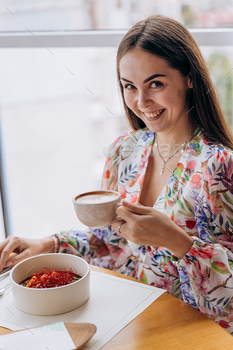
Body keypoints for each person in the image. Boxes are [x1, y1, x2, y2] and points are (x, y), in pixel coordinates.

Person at [1, 15, 233, 333]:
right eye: (129, 87)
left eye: (155, 84)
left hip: (190, 331)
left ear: (189, 78)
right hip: (128, 320)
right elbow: (109, 244)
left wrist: (180, 243)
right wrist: (49, 245)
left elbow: (229, 292)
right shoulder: (123, 151)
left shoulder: (218, 167)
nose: (141, 101)